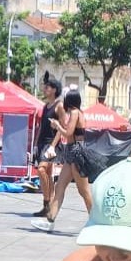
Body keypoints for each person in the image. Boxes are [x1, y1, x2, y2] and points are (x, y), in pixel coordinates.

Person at [32, 90, 96, 232]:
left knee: (84, 191)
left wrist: (57, 126)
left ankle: (95, 222)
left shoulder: (75, 113)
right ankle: (50, 220)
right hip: (71, 152)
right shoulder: (76, 113)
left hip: (77, 153)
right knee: (60, 186)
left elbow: (68, 132)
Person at [32, 77, 62, 218]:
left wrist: (52, 146)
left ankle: (48, 201)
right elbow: (41, 127)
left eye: (47, 87)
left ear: (54, 89)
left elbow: (62, 128)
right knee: (47, 174)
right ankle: (47, 206)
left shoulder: (59, 106)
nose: (44, 89)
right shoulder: (45, 106)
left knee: (42, 169)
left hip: (51, 144)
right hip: (42, 143)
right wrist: (35, 144)